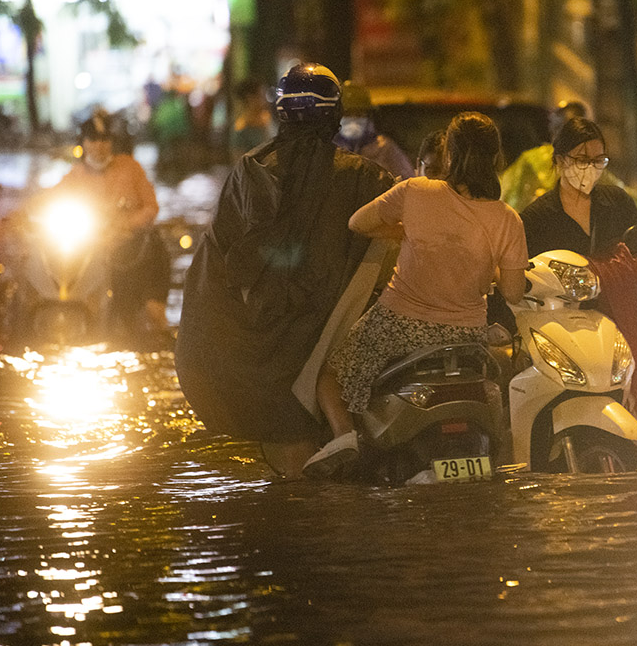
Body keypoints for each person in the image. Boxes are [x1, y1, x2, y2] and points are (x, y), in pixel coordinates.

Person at [176, 63, 394, 479]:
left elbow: (219, 261)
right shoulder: (366, 176)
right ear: (334, 115)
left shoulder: (250, 170)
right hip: (333, 333)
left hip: (263, 350)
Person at [308, 111, 528, 478]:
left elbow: (357, 223)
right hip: (466, 338)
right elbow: (513, 291)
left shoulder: (416, 192)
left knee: (328, 376)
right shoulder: (508, 219)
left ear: (450, 156)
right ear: (496, 159)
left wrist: (405, 233)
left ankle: (344, 435)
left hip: (398, 323)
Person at [519, 117, 637, 465]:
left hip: (623, 310)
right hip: (562, 319)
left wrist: (614, 275)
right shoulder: (536, 217)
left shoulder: (616, 202)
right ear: (559, 160)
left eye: (598, 160)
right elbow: (522, 278)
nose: (589, 168)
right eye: (580, 159)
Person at [49, 109, 170, 336]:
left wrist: (126, 225)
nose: (99, 146)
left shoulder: (131, 168)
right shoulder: (73, 178)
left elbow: (151, 208)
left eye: (105, 140)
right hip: (97, 257)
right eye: (93, 140)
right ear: (83, 143)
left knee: (151, 315)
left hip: (140, 256)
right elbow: (47, 202)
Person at [334, 115, 416, 180]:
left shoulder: (384, 147)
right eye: (348, 114)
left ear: (369, 116)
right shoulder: (332, 148)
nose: (353, 119)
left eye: (359, 114)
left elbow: (408, 180)